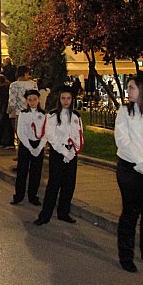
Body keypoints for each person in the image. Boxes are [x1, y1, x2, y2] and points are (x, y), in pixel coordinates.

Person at [114, 74, 143, 272]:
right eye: (128, 87)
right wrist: (141, 163)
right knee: (131, 211)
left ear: (142, 89)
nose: (128, 91)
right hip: (129, 167)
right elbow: (123, 140)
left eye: (132, 87)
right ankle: (126, 255)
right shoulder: (124, 111)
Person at [34, 85, 84, 226]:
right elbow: (50, 135)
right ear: (59, 99)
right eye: (63, 98)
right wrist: (63, 151)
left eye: (68, 98)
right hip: (58, 153)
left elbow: (78, 135)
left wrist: (72, 152)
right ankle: (45, 215)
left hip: (71, 153)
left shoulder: (76, 116)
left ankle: (63, 212)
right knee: (53, 185)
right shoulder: (52, 115)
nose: (66, 101)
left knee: (69, 184)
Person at [11, 89, 46, 206]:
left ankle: (33, 196)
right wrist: (30, 147)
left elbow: (46, 132)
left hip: (38, 145)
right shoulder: (23, 114)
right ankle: (18, 196)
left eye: (35, 99)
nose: (32, 102)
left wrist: (40, 146)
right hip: (26, 145)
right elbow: (20, 132)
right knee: (22, 171)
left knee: (36, 172)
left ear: (39, 100)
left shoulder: (43, 114)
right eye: (30, 100)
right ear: (27, 101)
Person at [7, 65, 37, 145]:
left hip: (19, 114)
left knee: (21, 136)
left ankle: (21, 155)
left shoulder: (14, 85)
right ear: (26, 73)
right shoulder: (33, 84)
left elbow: (12, 102)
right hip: (32, 113)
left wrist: (9, 111)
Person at [0, 75, 14, 148]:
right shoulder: (8, 87)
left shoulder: (1, 89)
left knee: (1, 126)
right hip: (7, 109)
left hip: (3, 109)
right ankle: (8, 142)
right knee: (8, 126)